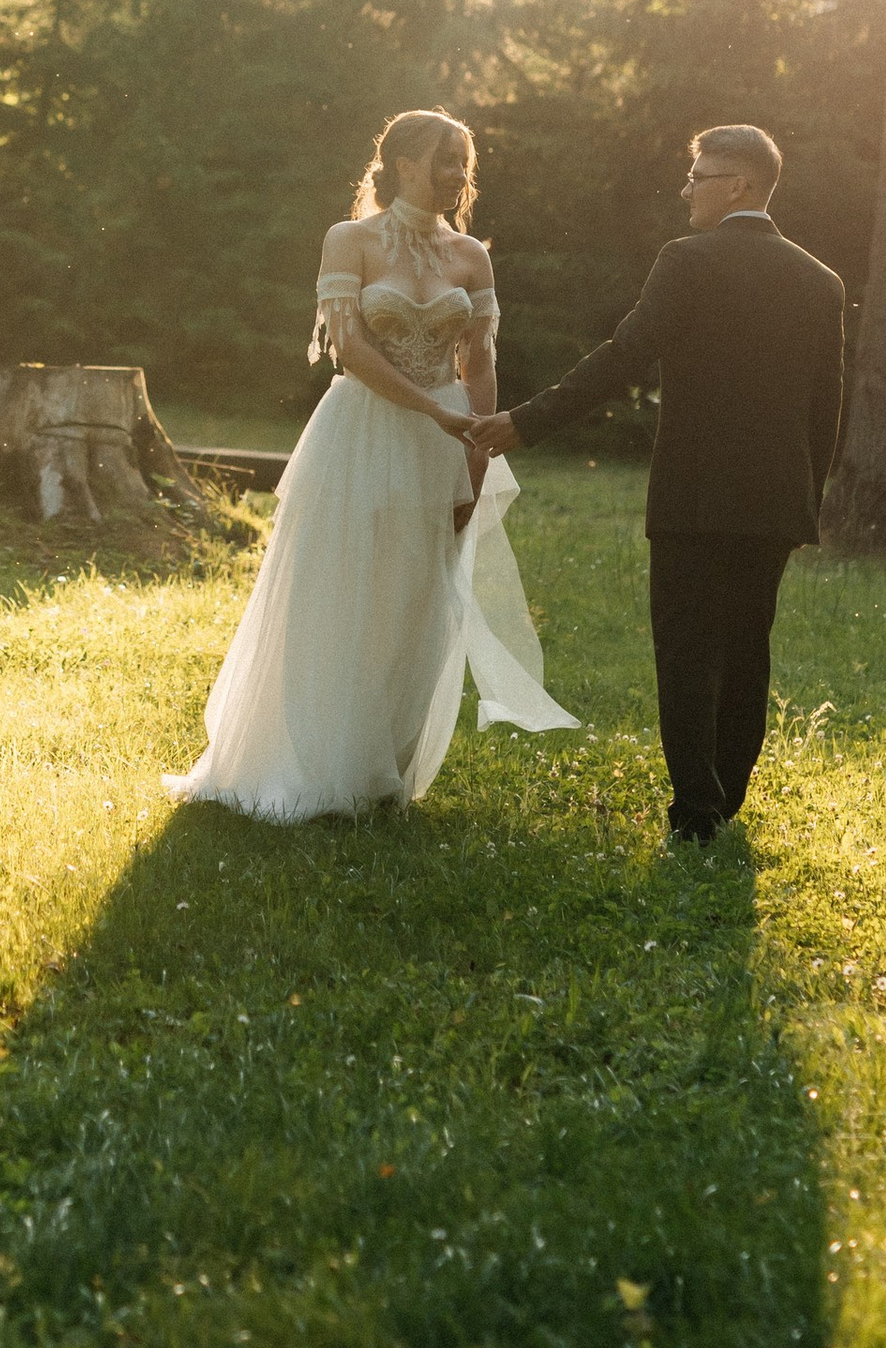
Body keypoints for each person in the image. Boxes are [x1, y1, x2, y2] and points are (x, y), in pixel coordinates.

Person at [167, 107, 578, 820]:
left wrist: (476, 451)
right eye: (446, 160)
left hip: (444, 443)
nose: (458, 175)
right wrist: (433, 409)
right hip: (362, 430)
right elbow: (350, 349)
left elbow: (479, 361)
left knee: (415, 597)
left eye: (464, 163)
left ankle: (380, 765)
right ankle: (316, 761)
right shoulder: (349, 240)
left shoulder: (470, 256)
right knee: (342, 586)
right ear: (401, 163)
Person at [468, 123, 843, 844]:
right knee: (745, 650)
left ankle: (696, 810)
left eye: (698, 175)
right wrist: (806, 504)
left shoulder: (687, 260)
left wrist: (527, 421)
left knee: (685, 649)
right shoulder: (819, 280)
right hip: (774, 502)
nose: (686, 189)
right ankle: (723, 801)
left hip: (694, 497)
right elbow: (825, 409)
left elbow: (624, 354)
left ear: (738, 184)